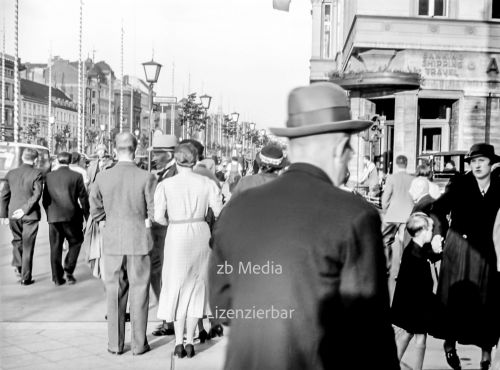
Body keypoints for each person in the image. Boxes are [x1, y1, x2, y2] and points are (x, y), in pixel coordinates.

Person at [209, 82, 399, 370]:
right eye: (350, 151)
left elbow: (222, 306)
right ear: (340, 148)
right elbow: (370, 334)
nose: (349, 158)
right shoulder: (354, 215)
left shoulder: (238, 208)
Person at [430, 143, 500, 370]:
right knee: (456, 298)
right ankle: (450, 344)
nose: (477, 165)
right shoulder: (460, 183)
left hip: (486, 249)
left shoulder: (499, 185)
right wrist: (438, 235)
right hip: (458, 246)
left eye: (481, 160)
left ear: (492, 163)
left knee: (486, 299)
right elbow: (437, 209)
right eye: (473, 161)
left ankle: (486, 352)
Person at [89, 132, 156, 356]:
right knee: (140, 291)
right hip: (139, 239)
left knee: (114, 291)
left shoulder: (103, 177)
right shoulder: (146, 177)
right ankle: (138, 344)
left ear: (115, 149)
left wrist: (106, 220)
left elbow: (95, 208)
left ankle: (115, 344)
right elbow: (153, 211)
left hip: (113, 239)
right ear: (135, 150)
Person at [155, 142, 223, 359]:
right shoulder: (206, 183)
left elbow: (158, 216)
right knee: (197, 285)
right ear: (196, 160)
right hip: (200, 231)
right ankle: (192, 339)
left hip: (177, 231)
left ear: (176, 160)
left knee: (176, 283)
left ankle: (178, 341)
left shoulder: (166, 185)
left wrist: (171, 221)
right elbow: (218, 209)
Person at [391, 212, 443, 370]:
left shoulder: (415, 249)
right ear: (421, 231)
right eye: (430, 229)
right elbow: (420, 283)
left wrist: (439, 251)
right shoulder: (415, 255)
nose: (432, 232)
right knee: (419, 338)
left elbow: (431, 255)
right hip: (416, 304)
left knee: (409, 334)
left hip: (411, 303)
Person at [148, 134, 178, 337]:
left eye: (157, 154)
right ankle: (167, 315)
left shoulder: (176, 172)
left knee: (165, 276)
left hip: (167, 232)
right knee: (155, 273)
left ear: (169, 154)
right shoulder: (160, 172)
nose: (154, 157)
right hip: (157, 232)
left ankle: (170, 320)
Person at [43, 152, 89, 286]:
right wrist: (87, 215)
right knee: (76, 241)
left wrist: (48, 213)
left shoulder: (49, 177)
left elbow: (45, 198)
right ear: (70, 161)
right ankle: (68, 270)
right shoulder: (76, 176)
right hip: (72, 215)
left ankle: (57, 277)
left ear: (58, 160)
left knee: (55, 247)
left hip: (54, 216)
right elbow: (83, 197)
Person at [0, 148, 43, 285]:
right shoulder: (37, 173)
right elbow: (37, 194)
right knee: (28, 245)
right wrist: (25, 210)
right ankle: (26, 277)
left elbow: (4, 195)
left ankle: (19, 267)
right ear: (35, 160)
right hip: (30, 215)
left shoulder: (11, 173)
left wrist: (3, 215)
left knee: (17, 240)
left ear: (22, 158)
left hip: (13, 213)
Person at [381, 154, 414, 293]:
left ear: (396, 164)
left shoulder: (392, 178)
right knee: (404, 242)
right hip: (407, 214)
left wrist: (386, 209)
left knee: (386, 240)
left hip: (393, 214)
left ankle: (386, 268)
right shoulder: (412, 178)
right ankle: (402, 270)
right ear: (406, 164)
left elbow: (386, 196)